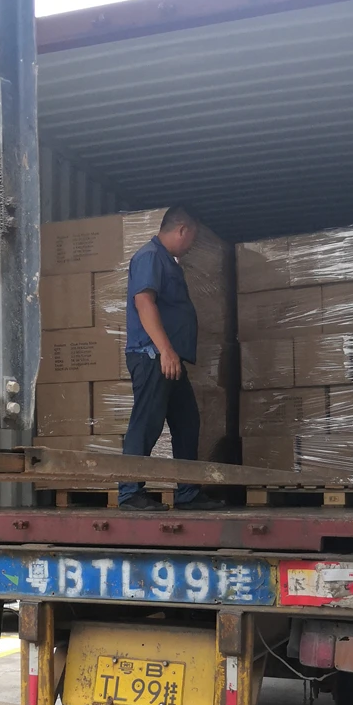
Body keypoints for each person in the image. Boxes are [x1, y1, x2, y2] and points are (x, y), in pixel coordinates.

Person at [118, 205, 222, 510]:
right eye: (192, 238)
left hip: (168, 358)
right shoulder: (150, 256)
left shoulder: (166, 261)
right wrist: (165, 349)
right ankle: (129, 492)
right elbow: (144, 302)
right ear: (182, 230)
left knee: (187, 421)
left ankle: (188, 492)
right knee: (146, 422)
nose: (191, 245)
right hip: (153, 356)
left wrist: (170, 352)